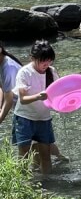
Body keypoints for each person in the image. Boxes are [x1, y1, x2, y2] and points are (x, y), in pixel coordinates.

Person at [11, 40, 58, 174]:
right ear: (33, 58)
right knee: (24, 154)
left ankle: (47, 184)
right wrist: (38, 96)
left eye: (49, 60)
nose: (46, 64)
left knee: (46, 155)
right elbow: (23, 99)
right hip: (24, 118)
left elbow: (58, 94)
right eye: (43, 61)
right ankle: (23, 183)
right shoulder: (24, 72)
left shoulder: (51, 72)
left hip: (44, 118)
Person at [0, 41, 23, 127]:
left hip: (25, 112)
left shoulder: (9, 68)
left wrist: (0, 118)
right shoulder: (1, 63)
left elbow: (9, 100)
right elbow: (1, 87)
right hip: (19, 110)